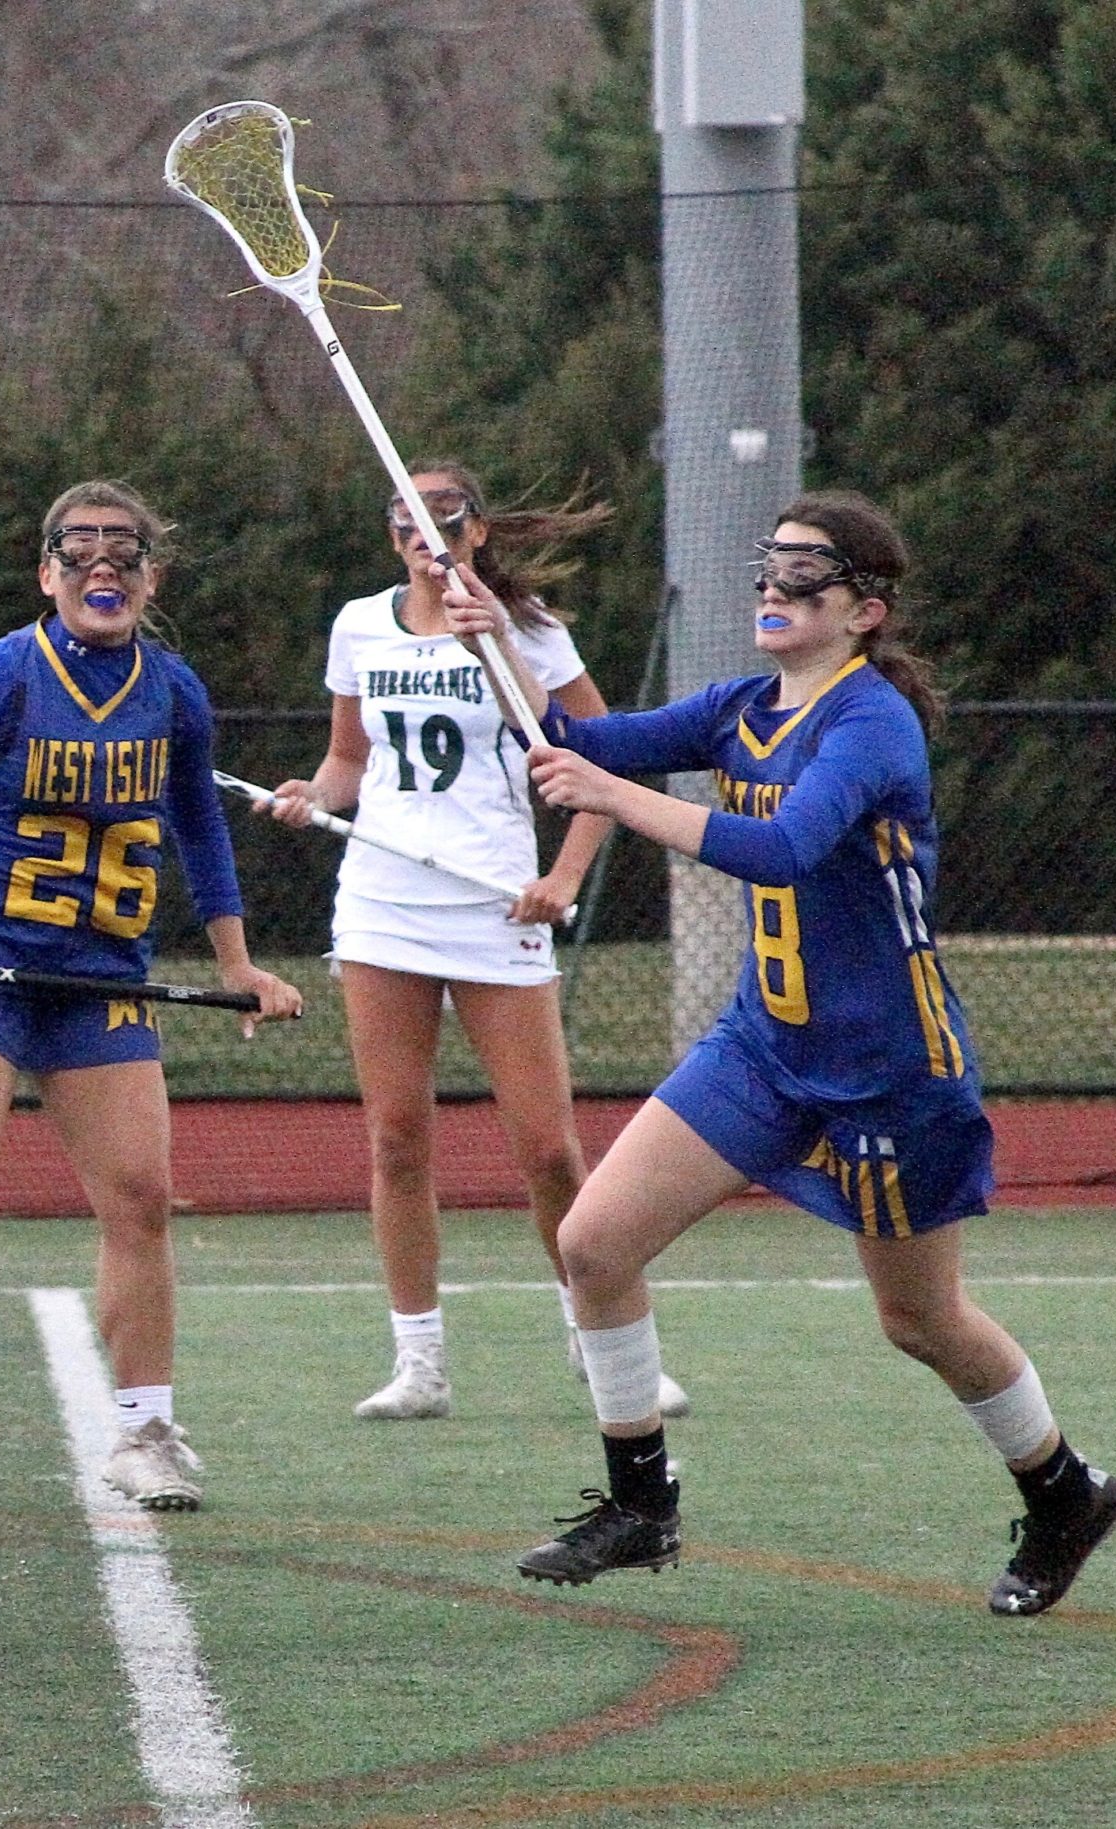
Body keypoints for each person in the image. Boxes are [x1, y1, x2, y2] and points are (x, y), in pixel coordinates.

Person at [449, 491, 1116, 1615]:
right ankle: (639, 1503)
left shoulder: (870, 725)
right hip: (763, 1043)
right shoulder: (739, 707)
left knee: (919, 1319)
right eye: (768, 569)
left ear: (862, 610)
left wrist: (613, 797)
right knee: (593, 1242)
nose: (772, 589)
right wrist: (498, 644)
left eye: (802, 576)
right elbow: (564, 740)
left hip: (887, 1067)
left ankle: (1063, 1491)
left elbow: (782, 848)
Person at [0, 480, 300, 1514]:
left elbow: (199, 822)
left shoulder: (172, 690)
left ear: (152, 572)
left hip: (99, 977)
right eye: (80, 551)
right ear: (45, 572)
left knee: (139, 1195)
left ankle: (142, 1430)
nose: (104, 567)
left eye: (124, 552)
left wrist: (236, 962)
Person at [266, 464, 690, 1422]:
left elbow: (606, 754)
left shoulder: (526, 630)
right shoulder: (359, 626)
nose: (429, 539)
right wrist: (310, 796)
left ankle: (603, 1344)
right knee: (398, 1137)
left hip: (497, 906)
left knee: (549, 1149)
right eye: (410, 525)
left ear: (477, 531)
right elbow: (348, 761)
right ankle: (420, 1359)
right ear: (394, 540)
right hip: (383, 905)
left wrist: (566, 876)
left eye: (445, 521)